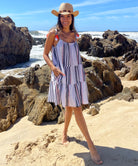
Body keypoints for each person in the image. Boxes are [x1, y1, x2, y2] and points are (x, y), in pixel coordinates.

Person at [43, 3, 103, 165]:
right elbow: (45, 54)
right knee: (76, 108)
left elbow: (74, 57)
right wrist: (53, 67)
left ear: (72, 18)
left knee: (71, 106)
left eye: (68, 16)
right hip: (62, 75)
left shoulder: (75, 34)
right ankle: (92, 147)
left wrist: (81, 72)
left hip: (76, 76)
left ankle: (64, 133)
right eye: (62, 16)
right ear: (59, 17)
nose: (65, 19)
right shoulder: (53, 34)